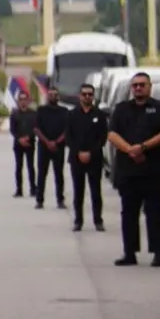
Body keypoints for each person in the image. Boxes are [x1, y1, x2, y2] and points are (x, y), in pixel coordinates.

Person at [107, 71, 160, 267]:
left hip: (153, 171)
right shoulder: (121, 109)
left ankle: (158, 253)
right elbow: (112, 134)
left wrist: (143, 147)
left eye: (142, 84)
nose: (138, 88)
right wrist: (131, 150)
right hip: (128, 171)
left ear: (149, 87)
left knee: (155, 213)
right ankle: (130, 253)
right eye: (135, 85)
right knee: (128, 213)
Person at [65, 83, 108, 231]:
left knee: (96, 191)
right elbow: (68, 136)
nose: (87, 97)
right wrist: (79, 152)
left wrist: (91, 152)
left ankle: (98, 220)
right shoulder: (71, 114)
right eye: (84, 94)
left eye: (90, 94)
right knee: (78, 191)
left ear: (93, 96)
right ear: (80, 96)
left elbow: (103, 137)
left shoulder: (100, 115)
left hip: (94, 159)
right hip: (76, 158)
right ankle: (78, 220)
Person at [34, 85, 69, 210]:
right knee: (42, 174)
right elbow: (36, 129)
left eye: (55, 94)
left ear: (58, 97)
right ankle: (39, 200)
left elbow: (67, 130)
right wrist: (48, 142)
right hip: (44, 146)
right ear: (47, 96)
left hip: (59, 147)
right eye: (50, 94)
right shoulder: (41, 110)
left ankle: (60, 200)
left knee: (59, 174)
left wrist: (57, 142)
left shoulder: (64, 111)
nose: (53, 97)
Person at [9, 91, 37, 198]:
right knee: (19, 167)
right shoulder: (14, 114)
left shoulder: (33, 113)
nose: (23, 101)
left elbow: (35, 128)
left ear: (28, 100)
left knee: (31, 166)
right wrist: (19, 138)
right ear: (18, 101)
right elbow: (12, 129)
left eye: (25, 99)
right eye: (21, 99)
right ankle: (19, 189)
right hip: (18, 144)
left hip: (30, 143)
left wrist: (28, 137)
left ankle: (33, 189)